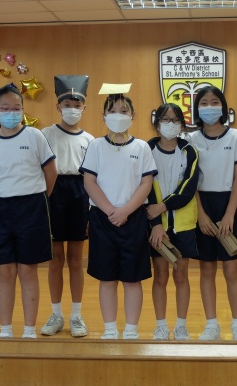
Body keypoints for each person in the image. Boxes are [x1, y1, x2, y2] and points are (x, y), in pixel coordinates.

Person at [79, 83, 157, 340]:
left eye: (124, 111)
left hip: (133, 219)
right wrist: (111, 210)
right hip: (102, 219)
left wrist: (125, 211)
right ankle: (110, 329)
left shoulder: (142, 147)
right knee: (107, 278)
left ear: (133, 116)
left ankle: (131, 330)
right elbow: (89, 182)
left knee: (132, 279)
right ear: (103, 116)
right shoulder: (96, 146)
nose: (118, 115)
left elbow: (146, 184)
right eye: (113, 111)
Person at [0, 85, 58, 339]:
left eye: (16, 108)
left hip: (33, 207)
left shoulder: (34, 136)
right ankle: (5, 329)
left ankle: (29, 330)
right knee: (5, 271)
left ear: (23, 110)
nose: (11, 113)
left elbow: (51, 173)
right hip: (2, 209)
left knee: (27, 269)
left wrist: (38, 198)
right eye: (5, 108)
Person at [187, 86, 237, 341]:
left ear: (223, 107)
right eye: (204, 103)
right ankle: (211, 325)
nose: (210, 107)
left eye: (215, 102)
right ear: (197, 109)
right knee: (206, 270)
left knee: (232, 270)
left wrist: (229, 215)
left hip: (230, 204)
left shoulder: (235, 136)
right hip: (201, 204)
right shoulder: (191, 139)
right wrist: (200, 214)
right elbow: (190, 181)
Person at [40, 75, 94, 338]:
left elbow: (93, 178)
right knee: (54, 259)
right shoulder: (45, 134)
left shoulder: (91, 140)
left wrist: (91, 208)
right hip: (53, 192)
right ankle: (56, 314)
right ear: (58, 106)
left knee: (75, 259)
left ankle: (76, 315)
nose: (72, 108)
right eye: (67, 104)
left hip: (80, 195)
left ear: (84, 107)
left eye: (77, 104)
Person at [146, 103, 199, 341]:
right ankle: (160, 326)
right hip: (156, 225)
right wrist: (156, 222)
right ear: (157, 123)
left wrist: (163, 206)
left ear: (182, 124)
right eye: (165, 119)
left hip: (182, 224)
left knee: (181, 276)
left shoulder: (189, 151)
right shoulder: (146, 149)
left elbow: (188, 188)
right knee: (160, 276)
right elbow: (145, 187)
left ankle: (181, 326)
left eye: (175, 120)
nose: (170, 124)